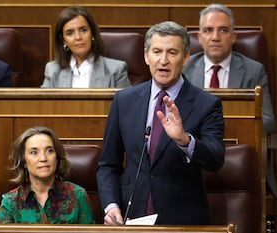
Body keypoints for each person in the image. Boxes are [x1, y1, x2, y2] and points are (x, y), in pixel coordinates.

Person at [96, 21, 225, 225]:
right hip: (132, 217)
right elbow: (108, 165)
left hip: (183, 221)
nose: (163, 60)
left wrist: (185, 141)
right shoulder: (124, 100)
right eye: (157, 51)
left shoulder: (206, 104)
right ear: (147, 56)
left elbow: (216, 159)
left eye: (172, 52)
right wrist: (112, 206)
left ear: (185, 58)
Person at [183, 3, 275, 134]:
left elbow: (268, 121)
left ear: (233, 37)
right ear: (199, 37)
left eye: (223, 30)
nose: (215, 37)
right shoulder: (184, 70)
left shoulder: (253, 71)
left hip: (238, 143)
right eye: (208, 30)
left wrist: (229, 127)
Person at [0, 126, 95, 224]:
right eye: (34, 152)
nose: (43, 158)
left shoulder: (78, 195)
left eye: (50, 151)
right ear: (24, 162)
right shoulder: (10, 202)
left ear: (57, 158)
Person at [41, 6, 130, 88]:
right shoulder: (52, 70)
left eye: (83, 30)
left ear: (92, 34)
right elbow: (43, 105)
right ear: (63, 40)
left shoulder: (116, 70)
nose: (78, 37)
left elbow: (128, 104)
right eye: (70, 33)